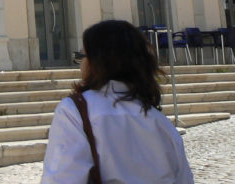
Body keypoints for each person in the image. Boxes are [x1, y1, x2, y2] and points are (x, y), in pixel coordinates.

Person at [41, 20, 193, 184]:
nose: (80, 66)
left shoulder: (74, 111)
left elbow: (61, 178)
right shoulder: (161, 123)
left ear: (96, 62)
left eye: (82, 57)